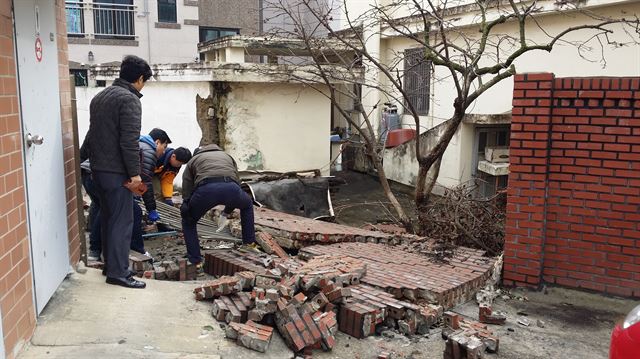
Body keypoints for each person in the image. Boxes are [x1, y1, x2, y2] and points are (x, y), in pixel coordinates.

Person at [85, 55, 152, 289]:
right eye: (144, 82)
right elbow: (129, 142)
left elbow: (91, 134)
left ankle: (110, 265)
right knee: (122, 221)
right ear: (140, 78)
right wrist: (135, 174)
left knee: (107, 218)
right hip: (117, 172)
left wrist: (80, 159)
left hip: (98, 170)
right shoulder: (130, 100)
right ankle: (119, 273)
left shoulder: (100, 97)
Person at [180, 144, 257, 265]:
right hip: (231, 188)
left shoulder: (194, 160)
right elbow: (237, 181)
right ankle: (249, 244)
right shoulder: (227, 156)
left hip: (205, 190)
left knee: (188, 222)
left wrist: (186, 203)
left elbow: (187, 182)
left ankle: (195, 260)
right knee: (247, 205)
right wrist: (226, 212)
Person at [131, 128, 171, 255]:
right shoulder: (149, 151)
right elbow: (146, 182)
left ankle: (96, 249)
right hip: (107, 179)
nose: (164, 151)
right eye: (164, 147)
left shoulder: (139, 144)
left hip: (93, 174)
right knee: (135, 212)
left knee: (101, 208)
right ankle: (137, 250)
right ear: (157, 142)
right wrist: (151, 209)